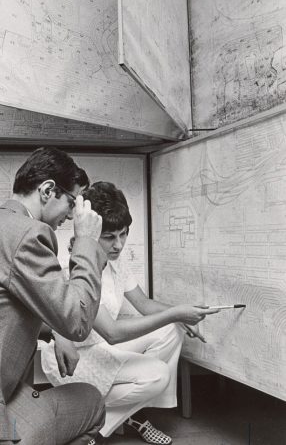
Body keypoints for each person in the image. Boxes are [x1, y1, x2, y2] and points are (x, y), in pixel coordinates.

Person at [0, 147, 108, 445]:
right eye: (71, 202)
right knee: (91, 400)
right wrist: (86, 242)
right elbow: (78, 321)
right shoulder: (30, 234)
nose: (71, 215)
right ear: (47, 190)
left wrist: (55, 333)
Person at [41, 182, 219, 445]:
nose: (119, 244)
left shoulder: (116, 260)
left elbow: (144, 304)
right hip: (76, 359)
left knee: (172, 330)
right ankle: (97, 426)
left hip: (102, 349)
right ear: (91, 233)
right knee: (158, 374)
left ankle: (119, 419)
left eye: (123, 234)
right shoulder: (73, 267)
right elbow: (112, 334)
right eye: (110, 237)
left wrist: (184, 314)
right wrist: (175, 313)